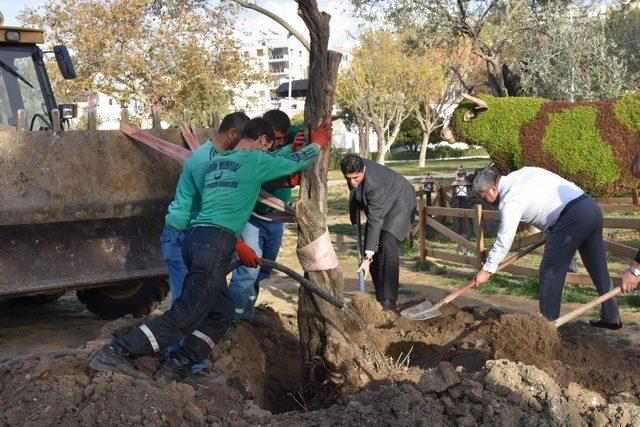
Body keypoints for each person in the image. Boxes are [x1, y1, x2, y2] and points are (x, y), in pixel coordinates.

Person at [90, 118, 331, 381]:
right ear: (262, 140)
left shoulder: (217, 162)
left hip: (198, 239)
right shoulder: (254, 161)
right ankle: (117, 351)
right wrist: (317, 143)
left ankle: (179, 364)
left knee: (220, 313)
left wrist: (237, 243)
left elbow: (224, 204)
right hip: (213, 243)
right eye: (268, 146)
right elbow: (296, 163)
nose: (267, 151)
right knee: (186, 314)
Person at [471, 165, 622, 328]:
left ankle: (547, 328)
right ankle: (612, 318)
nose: (484, 201)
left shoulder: (510, 200)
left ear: (493, 189)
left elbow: (504, 239)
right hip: (589, 207)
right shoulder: (521, 173)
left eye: (483, 196)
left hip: (571, 218)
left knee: (550, 272)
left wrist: (487, 269)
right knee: (598, 267)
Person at [160, 112, 249, 371]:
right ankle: (178, 361)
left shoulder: (219, 157)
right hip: (181, 237)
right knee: (187, 300)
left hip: (196, 237)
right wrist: (239, 241)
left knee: (206, 299)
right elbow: (216, 208)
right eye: (243, 141)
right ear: (232, 134)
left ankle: (191, 355)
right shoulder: (204, 162)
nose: (245, 148)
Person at [228, 110, 304, 333]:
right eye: (273, 140)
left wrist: (302, 137)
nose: (276, 145)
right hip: (252, 217)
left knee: (264, 268)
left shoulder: (282, 143)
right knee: (247, 271)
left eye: (281, 139)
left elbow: (300, 131)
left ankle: (246, 311)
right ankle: (232, 322)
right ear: (263, 137)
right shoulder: (252, 156)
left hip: (276, 219)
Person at [341, 154, 417, 310]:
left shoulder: (373, 184)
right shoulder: (354, 168)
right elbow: (355, 192)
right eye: (348, 178)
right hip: (383, 200)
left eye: (355, 177)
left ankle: (389, 299)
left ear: (363, 169)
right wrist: (353, 210)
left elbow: (375, 220)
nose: (351, 182)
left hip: (400, 201)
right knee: (372, 241)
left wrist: (368, 258)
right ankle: (380, 294)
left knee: (386, 241)